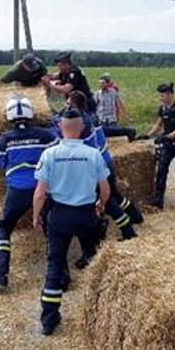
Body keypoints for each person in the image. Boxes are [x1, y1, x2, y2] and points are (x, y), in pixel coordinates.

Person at [32, 109, 111, 336]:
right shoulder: (93, 153)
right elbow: (105, 188)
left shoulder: (49, 154)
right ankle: (99, 312)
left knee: (55, 265)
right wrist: (101, 204)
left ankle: (49, 318)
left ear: (60, 127)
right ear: (81, 129)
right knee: (96, 262)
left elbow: (40, 193)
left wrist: (36, 216)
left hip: (60, 216)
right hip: (86, 214)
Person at [0, 96, 58, 293]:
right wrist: (53, 126)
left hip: (17, 190)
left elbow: (0, 163)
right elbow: (59, 147)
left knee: (5, 227)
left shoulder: (5, 138)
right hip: (43, 188)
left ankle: (0, 275)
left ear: (8, 116)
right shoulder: (46, 135)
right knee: (51, 228)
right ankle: (60, 275)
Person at [63, 90, 139, 242]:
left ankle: (127, 231)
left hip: (97, 166)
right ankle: (135, 216)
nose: (66, 105)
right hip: (106, 161)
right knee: (115, 196)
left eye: (68, 102)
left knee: (109, 201)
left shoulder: (81, 123)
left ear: (73, 104)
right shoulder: (91, 116)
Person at [147, 83, 175, 209]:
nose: (160, 98)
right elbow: (159, 124)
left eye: (162, 95)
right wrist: (148, 135)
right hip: (168, 145)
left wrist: (167, 136)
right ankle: (159, 198)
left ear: (170, 94)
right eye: (160, 96)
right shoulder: (162, 109)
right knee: (161, 169)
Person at [94, 73, 136, 141]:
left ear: (107, 83)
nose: (101, 85)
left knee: (114, 132)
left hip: (112, 119)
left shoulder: (113, 92)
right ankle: (128, 131)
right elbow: (94, 107)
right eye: (100, 83)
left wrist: (123, 114)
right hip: (101, 119)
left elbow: (118, 103)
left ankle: (128, 132)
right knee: (104, 134)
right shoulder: (97, 94)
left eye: (103, 83)